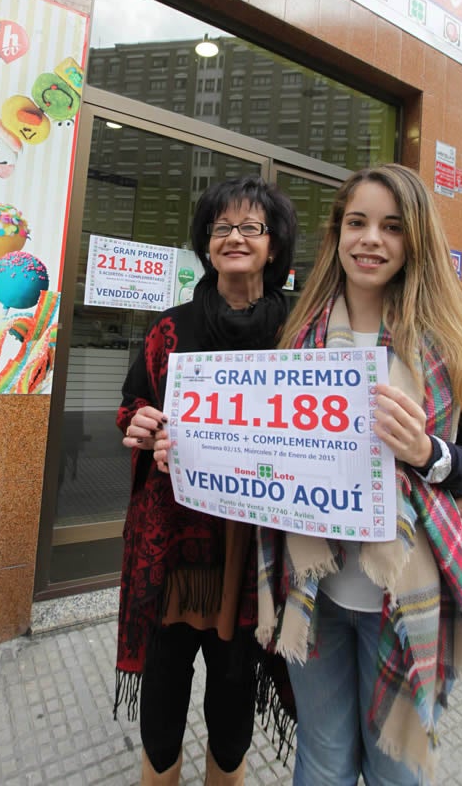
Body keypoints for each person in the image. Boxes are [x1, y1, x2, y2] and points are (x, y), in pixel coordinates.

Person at [256, 163, 462, 786]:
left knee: (396, 770)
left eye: (391, 227)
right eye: (357, 223)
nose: (371, 239)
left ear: (414, 238)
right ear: (337, 233)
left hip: (406, 595)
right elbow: (253, 437)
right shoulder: (297, 334)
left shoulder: (450, 339)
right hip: (313, 592)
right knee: (322, 759)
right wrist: (184, 439)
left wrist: (428, 453)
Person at [114, 175, 297, 785]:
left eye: (251, 227)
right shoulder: (169, 328)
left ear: (274, 247)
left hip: (253, 559)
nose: (235, 237)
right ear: (206, 242)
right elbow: (132, 403)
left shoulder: (300, 336)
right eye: (222, 227)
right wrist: (142, 425)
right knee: (163, 709)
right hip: (173, 550)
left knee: (232, 707)